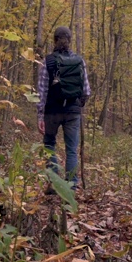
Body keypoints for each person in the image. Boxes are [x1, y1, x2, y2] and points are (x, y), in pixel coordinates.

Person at [37, 26, 91, 192]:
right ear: (69, 40)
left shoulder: (48, 61)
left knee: (49, 145)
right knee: (71, 151)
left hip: (52, 111)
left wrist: (40, 115)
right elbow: (86, 91)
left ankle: (53, 184)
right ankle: (71, 186)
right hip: (73, 112)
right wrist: (77, 104)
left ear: (54, 40)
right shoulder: (79, 61)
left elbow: (42, 90)